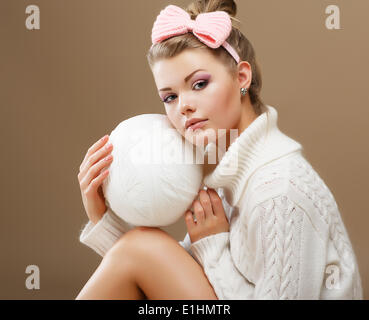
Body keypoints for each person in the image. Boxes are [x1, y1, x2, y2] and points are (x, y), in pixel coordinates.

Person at [75, 0, 363, 300]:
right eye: (170, 96)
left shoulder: (277, 189)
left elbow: (150, 265)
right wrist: (103, 219)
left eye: (199, 84)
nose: (183, 105)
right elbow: (148, 277)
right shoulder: (229, 177)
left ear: (242, 77)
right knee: (139, 246)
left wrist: (212, 249)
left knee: (140, 247)